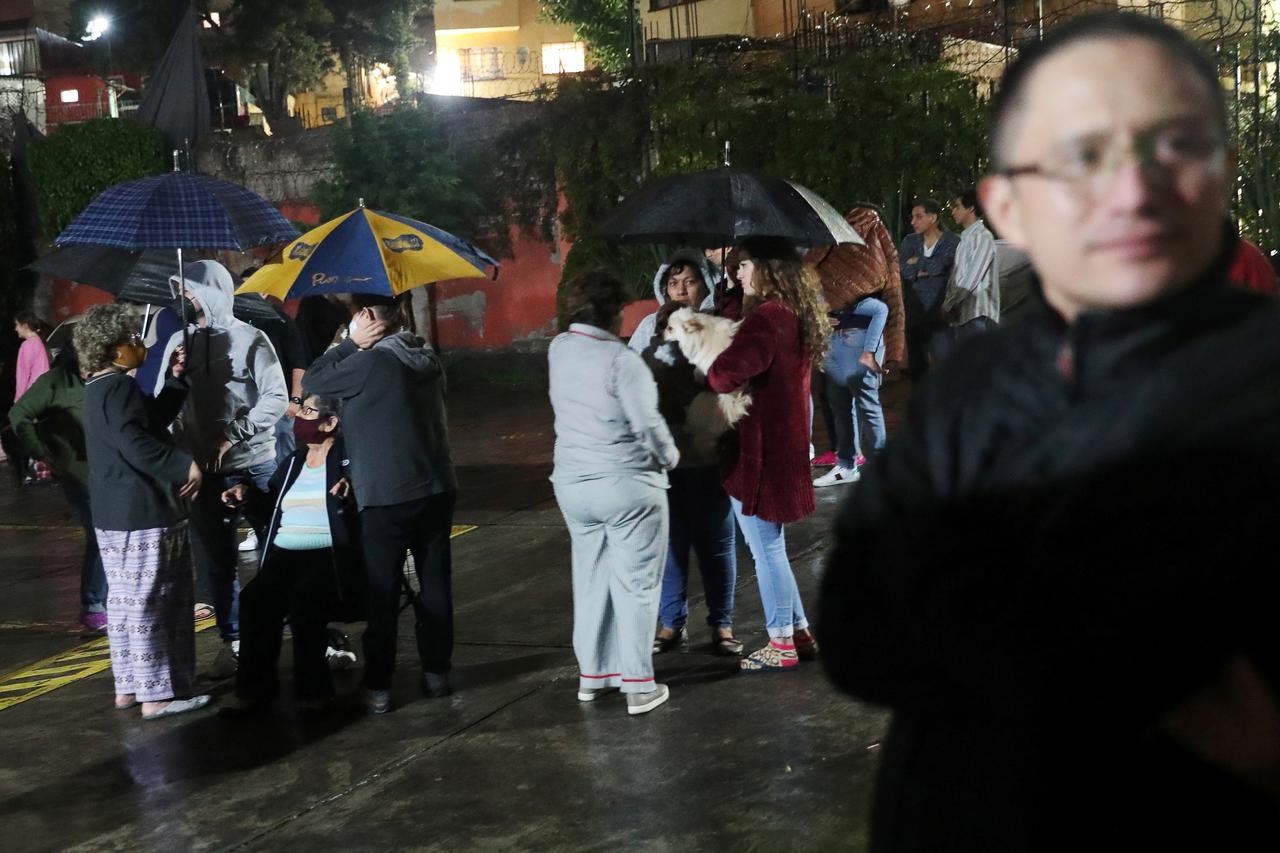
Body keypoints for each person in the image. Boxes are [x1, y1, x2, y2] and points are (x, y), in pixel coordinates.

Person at [820, 12, 1280, 851]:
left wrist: (961, 577)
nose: (1132, 189)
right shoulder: (973, 387)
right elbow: (857, 629)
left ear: (1223, 174)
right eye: (1079, 158)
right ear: (1010, 209)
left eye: (1175, 145)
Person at [304, 294, 457, 714]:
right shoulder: (424, 353)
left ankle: (379, 686)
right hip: (437, 485)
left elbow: (314, 382)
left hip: (387, 495)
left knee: (382, 592)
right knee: (436, 583)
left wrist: (350, 343)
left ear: (366, 316)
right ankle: (437, 673)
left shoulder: (370, 362)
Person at [550, 270, 679, 715]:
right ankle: (639, 684)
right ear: (616, 311)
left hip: (572, 485)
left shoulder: (559, 349)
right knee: (637, 584)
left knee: (590, 580)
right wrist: (670, 456)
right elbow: (648, 425)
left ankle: (594, 676)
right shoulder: (623, 362)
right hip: (627, 486)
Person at [75, 303, 210, 720]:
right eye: (132, 340)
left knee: (126, 603)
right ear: (114, 351)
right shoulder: (118, 389)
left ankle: (131, 687)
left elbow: (145, 423)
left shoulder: (100, 389)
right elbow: (136, 444)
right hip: (142, 511)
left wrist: (173, 381)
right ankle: (158, 696)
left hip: (114, 514)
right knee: (154, 601)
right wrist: (183, 464)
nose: (141, 344)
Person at [154, 260, 288, 677]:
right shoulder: (181, 340)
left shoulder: (252, 338)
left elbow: (277, 397)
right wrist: (175, 378)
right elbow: (164, 403)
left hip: (256, 465)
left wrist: (234, 433)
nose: (183, 297)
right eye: (180, 289)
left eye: (190, 289)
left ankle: (286, 627)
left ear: (212, 291)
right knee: (217, 562)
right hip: (204, 473)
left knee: (277, 551)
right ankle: (233, 643)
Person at [703, 238, 825, 671]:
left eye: (746, 264)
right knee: (773, 545)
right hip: (786, 444)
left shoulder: (766, 318)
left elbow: (722, 375)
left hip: (760, 452)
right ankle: (800, 631)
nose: (738, 272)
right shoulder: (793, 314)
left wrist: (717, 348)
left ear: (768, 271)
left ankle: (781, 643)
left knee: (765, 548)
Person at [219, 393, 360, 715]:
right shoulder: (294, 461)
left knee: (305, 601)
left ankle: (313, 691)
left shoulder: (346, 459)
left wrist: (350, 488)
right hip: (285, 554)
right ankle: (254, 691)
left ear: (330, 422)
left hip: (326, 553)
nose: (300, 416)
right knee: (255, 600)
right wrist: (246, 495)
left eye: (308, 411)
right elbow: (271, 505)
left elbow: (359, 504)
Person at [633, 253, 741, 657]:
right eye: (674, 281)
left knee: (716, 542)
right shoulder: (648, 328)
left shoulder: (717, 328)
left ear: (705, 286)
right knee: (671, 544)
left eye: (691, 281)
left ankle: (723, 623)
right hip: (666, 461)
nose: (681, 288)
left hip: (710, 458)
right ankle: (670, 622)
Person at [8, 345, 107, 631]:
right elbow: (19, 415)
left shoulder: (104, 378)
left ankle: (108, 598)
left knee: (112, 534)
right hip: (77, 473)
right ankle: (94, 603)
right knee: (100, 534)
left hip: (108, 471)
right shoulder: (54, 382)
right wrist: (40, 451)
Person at [808, 205, 906, 486]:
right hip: (844, 336)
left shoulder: (837, 239)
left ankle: (861, 465)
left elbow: (810, 273)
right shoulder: (879, 249)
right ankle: (850, 465)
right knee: (852, 403)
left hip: (855, 336)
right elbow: (894, 297)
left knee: (857, 403)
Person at [898, 200, 959, 380]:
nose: (913, 222)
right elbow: (903, 270)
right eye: (912, 217)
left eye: (918, 217)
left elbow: (940, 267)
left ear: (933, 218)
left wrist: (917, 262)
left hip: (941, 311)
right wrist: (926, 268)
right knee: (917, 366)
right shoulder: (909, 241)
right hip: (914, 311)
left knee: (944, 363)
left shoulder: (953, 241)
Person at [940, 187, 1000, 347]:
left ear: (971, 208)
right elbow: (957, 277)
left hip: (976, 313)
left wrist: (951, 302)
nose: (953, 211)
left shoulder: (983, 238)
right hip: (962, 314)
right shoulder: (964, 240)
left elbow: (971, 278)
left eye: (957, 206)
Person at [13, 311, 52, 483]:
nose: (15, 329)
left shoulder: (27, 346)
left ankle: (36, 471)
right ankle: (44, 470)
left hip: (31, 397)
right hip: (45, 395)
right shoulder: (40, 343)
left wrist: (18, 401)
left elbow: (22, 376)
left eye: (16, 325)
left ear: (24, 325)